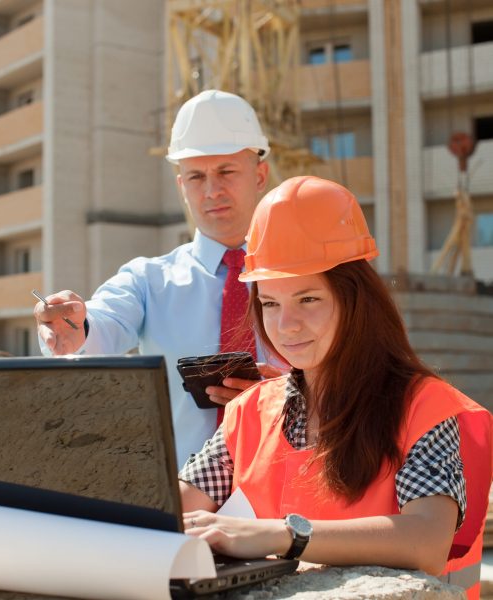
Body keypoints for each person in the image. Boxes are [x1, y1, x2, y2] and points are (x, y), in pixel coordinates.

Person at [179, 176, 492, 599]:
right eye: (271, 303)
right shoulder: (249, 412)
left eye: (308, 299)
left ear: (356, 302)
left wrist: (279, 535)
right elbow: (178, 507)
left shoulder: (424, 407)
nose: (286, 325)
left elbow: (426, 542)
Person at [34, 90, 277, 466]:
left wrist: (287, 392)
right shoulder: (148, 280)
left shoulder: (309, 278)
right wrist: (73, 328)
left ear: (259, 175)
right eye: (196, 176)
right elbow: (101, 326)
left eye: (226, 171)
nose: (212, 190)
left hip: (284, 499)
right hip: (182, 502)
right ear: (181, 187)